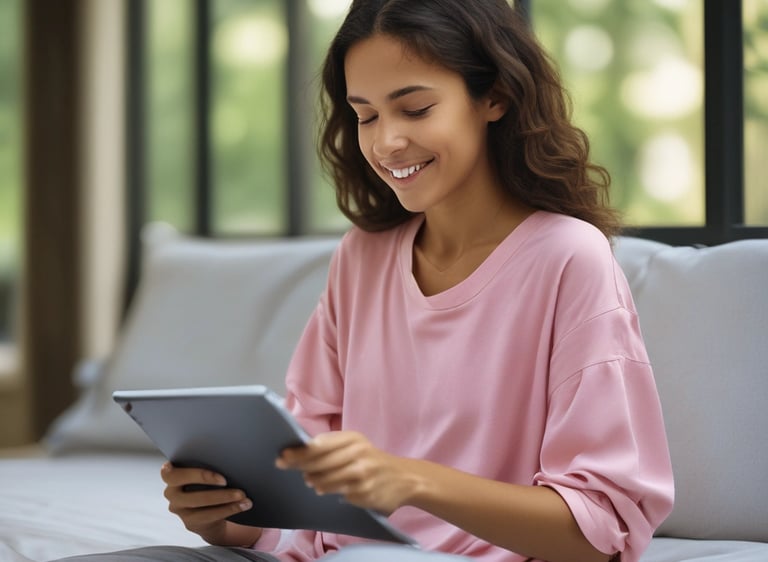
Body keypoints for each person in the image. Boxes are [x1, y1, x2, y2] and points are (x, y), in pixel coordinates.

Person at [60, 1, 674, 561]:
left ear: (495, 97)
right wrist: (228, 518)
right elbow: (306, 498)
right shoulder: (362, 258)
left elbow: (603, 529)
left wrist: (411, 479)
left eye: (415, 108)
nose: (387, 141)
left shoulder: (569, 259)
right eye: (366, 115)